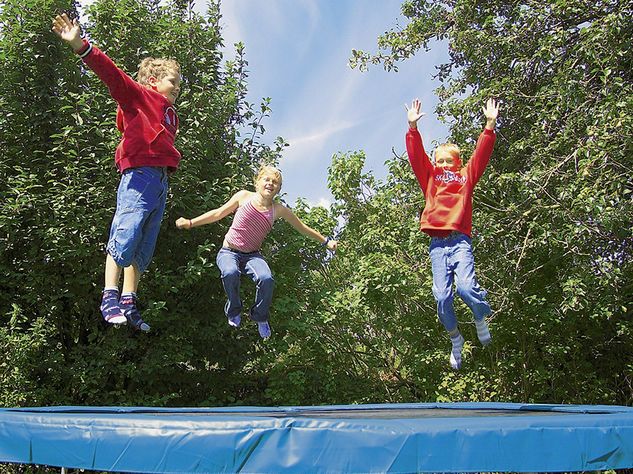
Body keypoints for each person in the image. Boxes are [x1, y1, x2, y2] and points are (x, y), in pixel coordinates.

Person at [52, 13, 183, 332]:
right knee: (125, 235)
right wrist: (81, 46)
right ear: (154, 81)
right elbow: (112, 75)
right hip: (139, 178)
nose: (178, 88)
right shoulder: (140, 97)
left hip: (160, 183)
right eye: (173, 82)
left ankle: (128, 300)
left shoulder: (170, 115)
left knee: (143, 247)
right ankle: (109, 295)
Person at [176, 165, 337, 339]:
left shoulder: (278, 210)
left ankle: (260, 317)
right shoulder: (243, 196)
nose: (270, 183)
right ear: (257, 182)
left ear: (279, 189)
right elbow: (218, 214)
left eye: (275, 182)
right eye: (266, 179)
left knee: (266, 279)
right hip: (229, 252)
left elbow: (302, 228)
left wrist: (326, 241)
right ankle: (234, 310)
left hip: (252, 255)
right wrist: (191, 222)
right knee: (230, 272)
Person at [405, 97, 500, 369]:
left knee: (467, 288)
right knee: (442, 298)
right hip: (437, 245)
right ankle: (455, 338)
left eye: (449, 161)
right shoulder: (431, 178)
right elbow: (416, 158)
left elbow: (480, 156)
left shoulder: (465, 177)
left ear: (458, 163)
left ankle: (480, 317)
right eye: (440, 161)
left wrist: (489, 125)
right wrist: (412, 128)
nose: (444, 165)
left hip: (460, 242)